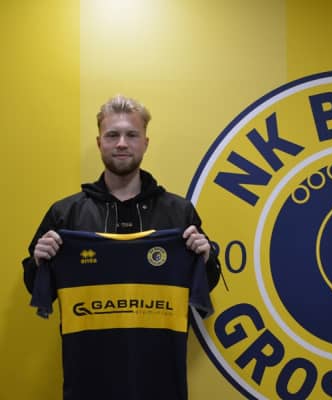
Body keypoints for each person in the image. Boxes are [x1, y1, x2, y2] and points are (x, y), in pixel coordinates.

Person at [22, 94, 221, 399]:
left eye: (132, 135)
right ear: (99, 142)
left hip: (160, 382)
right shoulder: (65, 215)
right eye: (112, 135)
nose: (122, 143)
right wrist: (39, 261)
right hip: (89, 382)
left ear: (145, 143)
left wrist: (205, 259)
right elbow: (39, 289)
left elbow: (203, 288)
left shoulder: (179, 214)